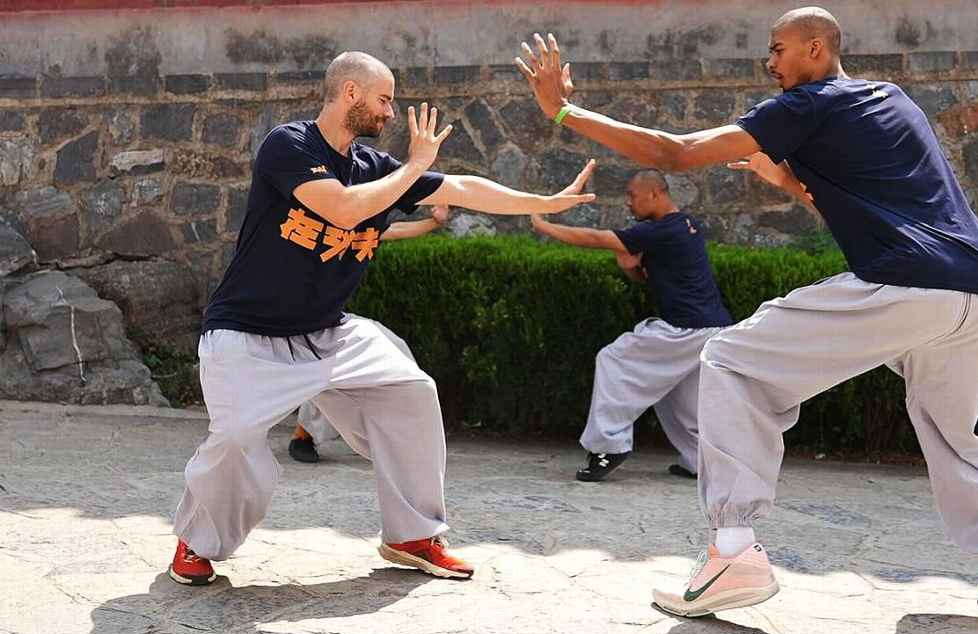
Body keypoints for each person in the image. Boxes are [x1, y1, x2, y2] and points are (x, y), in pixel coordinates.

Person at [515, 7, 978, 632]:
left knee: (728, 358)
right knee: (953, 439)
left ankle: (733, 553)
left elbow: (675, 152)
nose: (770, 64)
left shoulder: (806, 106)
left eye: (777, 49)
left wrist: (563, 111)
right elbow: (854, 207)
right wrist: (786, 179)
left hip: (910, 285)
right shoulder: (892, 100)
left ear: (815, 46)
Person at [169, 51, 595, 587]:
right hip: (248, 336)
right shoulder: (289, 145)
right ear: (350, 92)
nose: (391, 113)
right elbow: (342, 209)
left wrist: (543, 202)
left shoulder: (374, 167)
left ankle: (413, 534)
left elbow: (460, 187)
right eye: (385, 99)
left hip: (330, 331)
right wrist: (415, 167)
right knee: (234, 440)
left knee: (411, 394)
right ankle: (197, 542)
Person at [531, 168, 733, 481]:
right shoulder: (687, 225)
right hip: (711, 328)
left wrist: (544, 225)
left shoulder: (662, 230)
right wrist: (630, 268)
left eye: (632, 195)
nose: (628, 203)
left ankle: (609, 447)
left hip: (686, 328)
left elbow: (596, 239)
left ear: (655, 193)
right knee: (676, 395)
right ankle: (701, 461)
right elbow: (644, 275)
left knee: (613, 359)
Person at [288, 205, 447, 464]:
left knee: (396, 349)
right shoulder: (306, 226)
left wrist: (434, 223)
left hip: (331, 320)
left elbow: (393, 231)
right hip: (294, 324)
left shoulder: (359, 228)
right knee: (326, 372)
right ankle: (303, 435)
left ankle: (392, 434)